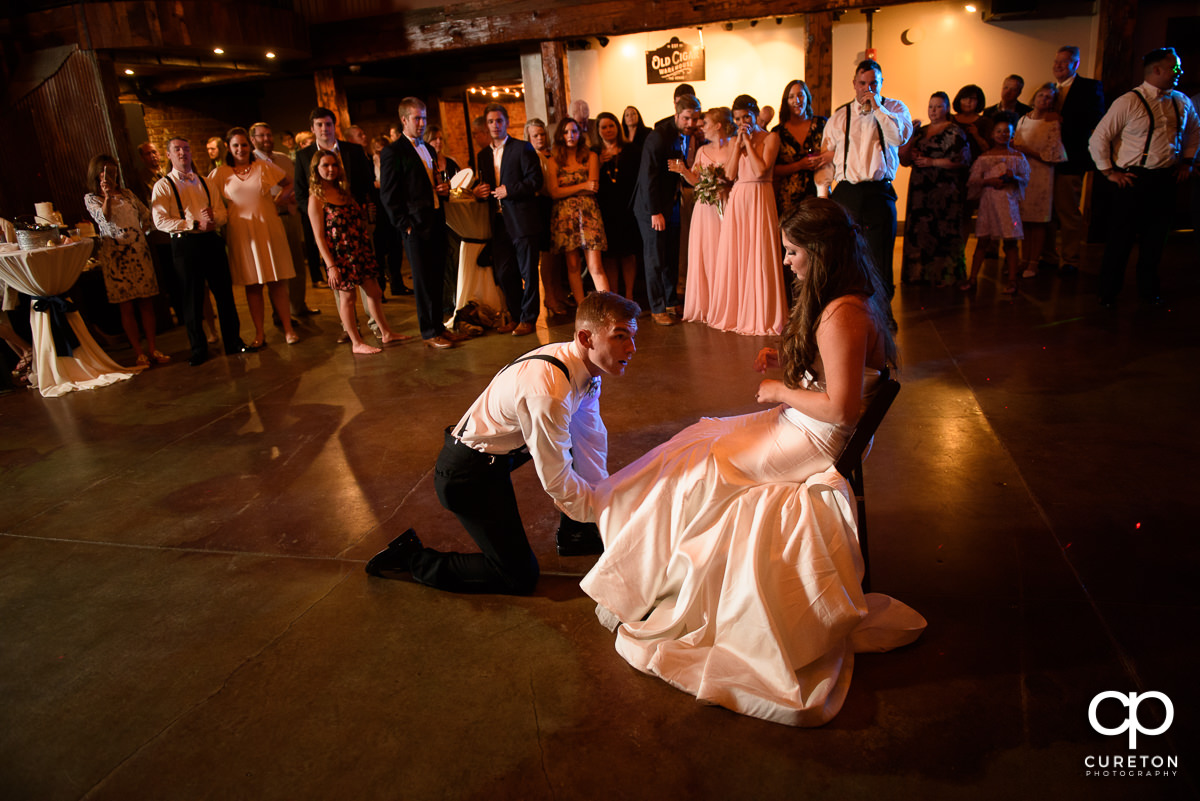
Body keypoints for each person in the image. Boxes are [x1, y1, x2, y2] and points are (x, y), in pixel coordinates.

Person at [580, 198, 924, 727]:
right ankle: (639, 555)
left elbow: (842, 407)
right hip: (804, 423)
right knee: (700, 436)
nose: (786, 261)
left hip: (818, 437)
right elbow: (828, 375)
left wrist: (780, 389)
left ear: (819, 251)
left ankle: (657, 576)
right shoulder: (837, 301)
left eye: (791, 252)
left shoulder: (843, 314)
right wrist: (788, 363)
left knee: (705, 466)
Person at [365, 291, 642, 594]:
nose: (632, 348)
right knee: (518, 577)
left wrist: (602, 510)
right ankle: (409, 558)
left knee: (573, 440)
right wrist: (608, 517)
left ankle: (577, 534)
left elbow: (589, 442)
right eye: (620, 337)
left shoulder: (586, 367)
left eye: (633, 336)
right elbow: (557, 479)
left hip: (500, 456)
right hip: (467, 475)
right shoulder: (549, 392)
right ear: (586, 338)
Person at [1090, 47, 1198, 308]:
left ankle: (1149, 290)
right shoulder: (1129, 101)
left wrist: (1187, 163)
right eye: (1175, 67)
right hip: (1133, 179)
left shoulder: (1182, 101)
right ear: (1157, 70)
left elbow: (1195, 133)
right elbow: (1098, 138)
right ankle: (1108, 292)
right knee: (1120, 239)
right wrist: (1109, 172)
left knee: (1156, 240)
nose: (1180, 71)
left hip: (1166, 179)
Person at [816, 59, 913, 328]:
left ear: (881, 83)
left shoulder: (894, 109)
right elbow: (827, 160)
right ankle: (849, 311)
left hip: (878, 191)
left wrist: (878, 107)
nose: (867, 88)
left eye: (874, 83)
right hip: (846, 192)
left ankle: (883, 313)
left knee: (880, 255)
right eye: (863, 83)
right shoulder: (839, 116)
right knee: (845, 255)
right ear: (854, 84)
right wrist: (824, 198)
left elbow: (899, 138)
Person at [150, 136, 251, 366]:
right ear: (169, 155)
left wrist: (215, 220)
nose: (183, 153)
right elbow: (159, 220)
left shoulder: (205, 182)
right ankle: (198, 349)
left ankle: (233, 342)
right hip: (185, 244)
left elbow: (223, 212)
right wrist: (193, 224)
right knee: (192, 298)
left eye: (186, 149)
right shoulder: (164, 185)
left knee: (224, 295)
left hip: (211, 242)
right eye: (177, 150)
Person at [380, 97, 466, 349]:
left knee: (438, 276)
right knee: (423, 280)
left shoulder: (427, 148)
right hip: (414, 225)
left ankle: (439, 327)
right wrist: (404, 224)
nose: (421, 123)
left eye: (424, 118)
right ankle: (429, 331)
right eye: (417, 118)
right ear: (404, 119)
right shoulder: (393, 152)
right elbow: (388, 193)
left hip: (436, 218)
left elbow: (428, 182)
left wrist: (441, 190)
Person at [308, 150, 406, 354]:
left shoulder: (343, 191)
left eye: (334, 165)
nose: (330, 169)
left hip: (359, 248)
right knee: (348, 298)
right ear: (316, 170)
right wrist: (331, 266)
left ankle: (386, 332)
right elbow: (318, 236)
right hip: (339, 254)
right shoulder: (316, 198)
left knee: (375, 291)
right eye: (325, 166)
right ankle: (356, 342)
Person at [707, 95, 786, 336]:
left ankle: (761, 312)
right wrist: (738, 146)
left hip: (761, 195)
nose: (743, 122)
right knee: (738, 252)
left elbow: (762, 170)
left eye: (747, 117)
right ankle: (737, 311)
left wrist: (750, 144)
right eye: (738, 118)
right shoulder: (734, 141)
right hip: (740, 197)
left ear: (755, 115)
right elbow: (730, 174)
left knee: (760, 252)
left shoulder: (771, 137)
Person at [212, 127, 298, 348]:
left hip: (268, 227)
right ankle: (260, 334)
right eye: (236, 145)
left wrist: (278, 201)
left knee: (277, 281)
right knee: (253, 285)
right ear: (228, 148)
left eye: (244, 145)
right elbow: (208, 197)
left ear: (250, 146)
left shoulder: (262, 166)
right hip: (242, 232)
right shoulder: (221, 173)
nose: (240, 149)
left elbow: (288, 182)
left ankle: (288, 329)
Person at [84, 154, 167, 367]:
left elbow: (146, 215)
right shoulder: (92, 198)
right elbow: (104, 218)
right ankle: (138, 352)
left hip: (138, 252)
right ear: (96, 174)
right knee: (127, 305)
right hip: (116, 256)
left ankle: (152, 347)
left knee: (146, 302)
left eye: (112, 171)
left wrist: (141, 234)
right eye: (104, 172)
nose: (109, 176)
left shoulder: (128, 194)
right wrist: (107, 196)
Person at [473, 103, 545, 337]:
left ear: (507, 123)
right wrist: (479, 192)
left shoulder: (522, 148)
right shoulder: (482, 155)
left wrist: (510, 190)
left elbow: (536, 181)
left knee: (528, 272)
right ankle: (515, 316)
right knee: (505, 273)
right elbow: (484, 185)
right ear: (487, 125)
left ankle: (528, 319)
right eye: (491, 121)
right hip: (498, 222)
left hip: (522, 220)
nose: (495, 125)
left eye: (499, 120)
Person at [633, 93, 703, 326]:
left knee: (672, 255)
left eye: (695, 119)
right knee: (655, 257)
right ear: (677, 114)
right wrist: (655, 212)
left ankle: (672, 301)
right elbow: (648, 177)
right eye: (686, 118)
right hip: (650, 207)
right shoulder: (658, 137)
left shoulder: (684, 135)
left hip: (671, 204)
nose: (691, 123)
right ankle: (657, 307)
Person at [294, 107, 376, 291]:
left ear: (334, 126)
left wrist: (361, 208)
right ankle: (347, 320)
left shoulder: (353, 150)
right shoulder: (303, 156)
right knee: (342, 285)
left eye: (328, 124)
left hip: (355, 221)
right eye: (319, 125)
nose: (325, 128)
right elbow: (300, 192)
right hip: (327, 226)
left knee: (368, 278)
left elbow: (366, 182)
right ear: (312, 128)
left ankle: (373, 319)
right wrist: (318, 215)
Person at [249, 121, 320, 319]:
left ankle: (298, 306)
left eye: (269, 135)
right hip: (269, 219)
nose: (266, 139)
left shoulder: (283, 159)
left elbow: (296, 184)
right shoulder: (251, 162)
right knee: (277, 267)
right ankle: (281, 313)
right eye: (261, 136)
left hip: (290, 215)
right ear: (253, 140)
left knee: (297, 263)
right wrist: (276, 201)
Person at [899, 91, 971, 286]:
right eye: (931, 106)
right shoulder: (921, 131)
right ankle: (918, 274)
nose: (934, 110)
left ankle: (945, 275)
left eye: (939, 106)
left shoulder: (955, 131)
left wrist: (933, 161)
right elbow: (903, 161)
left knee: (943, 232)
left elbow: (963, 160)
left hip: (944, 190)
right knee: (920, 231)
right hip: (920, 191)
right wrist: (910, 135)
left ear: (947, 108)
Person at [1046, 45, 1106, 273]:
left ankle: (1070, 259)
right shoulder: (1049, 89)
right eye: (1056, 62)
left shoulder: (1089, 87)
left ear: (1076, 64)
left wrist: (1063, 121)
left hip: (1071, 159)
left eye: (1064, 62)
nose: (1058, 66)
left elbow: (1096, 119)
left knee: (1068, 211)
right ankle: (1048, 256)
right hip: (1045, 161)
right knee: (1047, 212)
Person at [675, 107, 735, 324]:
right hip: (705, 207)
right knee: (708, 253)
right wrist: (684, 171)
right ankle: (708, 304)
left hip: (727, 204)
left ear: (718, 125)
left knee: (726, 253)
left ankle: (728, 303)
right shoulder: (701, 151)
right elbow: (695, 179)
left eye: (705, 124)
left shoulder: (734, 147)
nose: (701, 128)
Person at [961, 113, 1030, 294]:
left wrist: (1013, 177)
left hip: (1009, 204)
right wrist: (989, 182)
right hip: (989, 203)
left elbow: (1025, 179)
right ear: (992, 134)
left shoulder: (1018, 157)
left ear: (1012, 134)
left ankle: (1013, 280)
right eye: (998, 131)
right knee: (982, 241)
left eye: (1006, 132)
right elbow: (974, 181)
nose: (1002, 135)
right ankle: (973, 278)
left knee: (1010, 242)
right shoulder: (985, 157)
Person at [548, 117, 610, 306]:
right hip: (565, 217)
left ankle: (609, 309)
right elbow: (554, 192)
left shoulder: (590, 155)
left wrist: (570, 189)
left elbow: (594, 187)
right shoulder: (554, 160)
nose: (570, 136)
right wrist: (583, 185)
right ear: (560, 135)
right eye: (566, 132)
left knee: (595, 266)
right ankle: (582, 309)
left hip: (589, 214)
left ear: (579, 133)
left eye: (574, 131)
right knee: (573, 266)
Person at [1011, 84, 1066, 279]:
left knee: (1038, 220)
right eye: (1041, 95)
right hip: (1023, 173)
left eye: (1048, 97)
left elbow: (1054, 154)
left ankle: (1034, 261)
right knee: (1024, 219)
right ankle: (1024, 259)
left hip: (1042, 173)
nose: (1043, 99)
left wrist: (1028, 151)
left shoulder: (1052, 123)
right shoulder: (1024, 119)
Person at [594, 111, 641, 300]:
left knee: (628, 254)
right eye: (603, 127)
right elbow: (591, 181)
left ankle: (629, 295)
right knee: (610, 256)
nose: (608, 130)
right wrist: (597, 163)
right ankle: (615, 297)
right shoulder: (594, 152)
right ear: (598, 131)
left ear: (617, 127)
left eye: (611, 126)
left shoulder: (631, 150)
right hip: (605, 210)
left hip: (628, 208)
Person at [526, 118, 569, 318]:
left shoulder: (552, 153)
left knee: (557, 252)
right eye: (535, 135)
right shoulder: (530, 156)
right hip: (541, 205)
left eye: (542, 134)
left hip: (557, 205)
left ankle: (559, 293)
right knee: (548, 255)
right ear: (528, 137)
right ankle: (549, 296)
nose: (540, 138)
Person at [772, 79, 830, 224]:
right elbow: (772, 169)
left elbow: (838, 151)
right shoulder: (777, 132)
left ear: (807, 97)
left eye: (800, 95)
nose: (797, 100)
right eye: (791, 97)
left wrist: (824, 158)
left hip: (818, 193)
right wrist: (800, 165)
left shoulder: (822, 124)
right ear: (786, 101)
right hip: (788, 200)